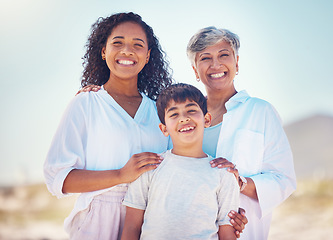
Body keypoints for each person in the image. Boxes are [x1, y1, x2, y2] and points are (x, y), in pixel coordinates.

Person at [44, 12, 173, 240]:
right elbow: (58, 178)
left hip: (152, 221)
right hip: (98, 223)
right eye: (118, 43)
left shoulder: (160, 112)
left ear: (147, 56)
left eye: (137, 45)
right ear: (104, 51)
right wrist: (120, 174)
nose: (127, 51)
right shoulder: (86, 103)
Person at [187, 26, 297, 239]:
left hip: (241, 230)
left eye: (224, 55)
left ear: (236, 63)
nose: (216, 64)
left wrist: (241, 183)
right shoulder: (185, 118)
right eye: (205, 58)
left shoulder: (260, 111)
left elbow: (283, 179)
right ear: (195, 70)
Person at [121, 83, 240, 240]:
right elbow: (131, 227)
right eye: (174, 114)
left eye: (191, 110)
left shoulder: (223, 174)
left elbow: (227, 233)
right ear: (164, 129)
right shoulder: (150, 168)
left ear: (207, 119)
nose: (184, 118)